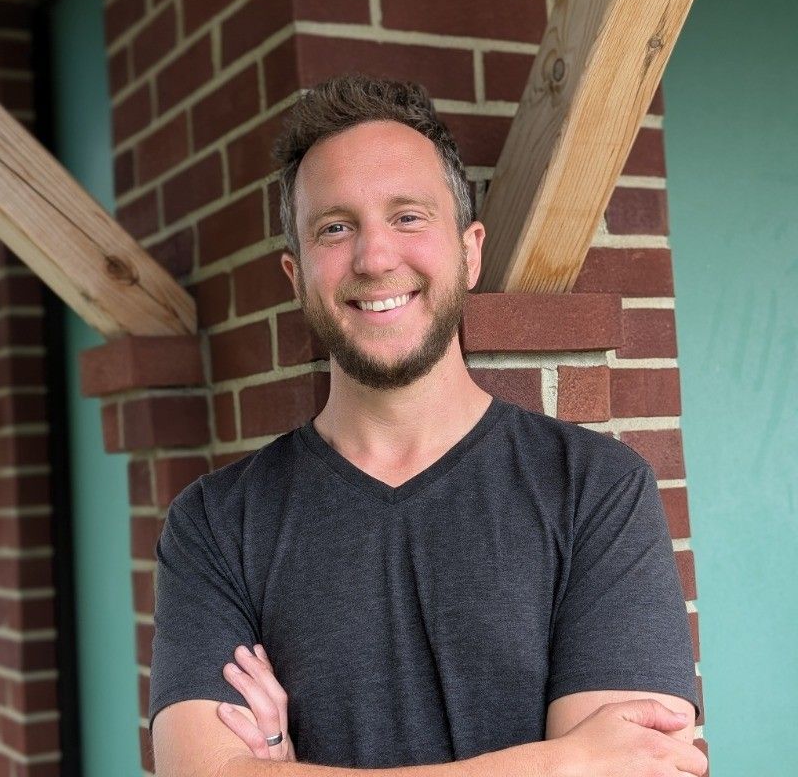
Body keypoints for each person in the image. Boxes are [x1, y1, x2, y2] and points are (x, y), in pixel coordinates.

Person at [149, 74, 707, 777]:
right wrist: (556, 764)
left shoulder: (596, 490)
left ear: (470, 250)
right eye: (335, 227)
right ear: (295, 275)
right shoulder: (215, 524)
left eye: (408, 216)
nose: (376, 257)